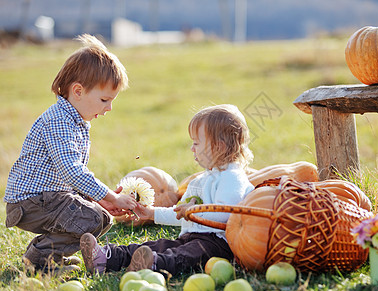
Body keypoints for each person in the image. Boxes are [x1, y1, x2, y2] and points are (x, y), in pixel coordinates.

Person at [3, 34, 137, 273]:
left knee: (102, 216)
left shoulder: (73, 120)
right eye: (105, 99)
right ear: (78, 91)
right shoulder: (59, 122)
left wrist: (101, 200)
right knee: (92, 219)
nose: (109, 108)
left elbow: (68, 180)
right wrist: (111, 196)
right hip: (31, 202)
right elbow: (72, 171)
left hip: (47, 198)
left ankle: (51, 257)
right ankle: (39, 261)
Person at [80, 104, 255, 276]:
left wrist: (193, 212)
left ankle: (155, 264)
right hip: (192, 237)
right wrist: (151, 213)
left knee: (185, 255)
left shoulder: (233, 178)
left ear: (219, 147)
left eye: (196, 143)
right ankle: (107, 257)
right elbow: (179, 212)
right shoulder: (200, 180)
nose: (192, 148)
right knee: (158, 246)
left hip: (219, 244)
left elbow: (228, 215)